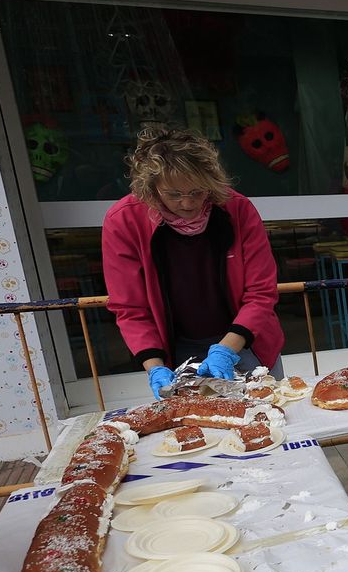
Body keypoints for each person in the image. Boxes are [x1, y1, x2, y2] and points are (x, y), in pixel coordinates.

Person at [102, 125, 284, 400]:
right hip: (177, 348)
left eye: (198, 192)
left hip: (247, 340)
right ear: (151, 187)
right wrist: (155, 366)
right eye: (174, 194)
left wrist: (226, 349)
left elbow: (261, 292)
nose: (188, 203)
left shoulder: (237, 209)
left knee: (269, 416)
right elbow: (131, 308)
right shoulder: (124, 221)